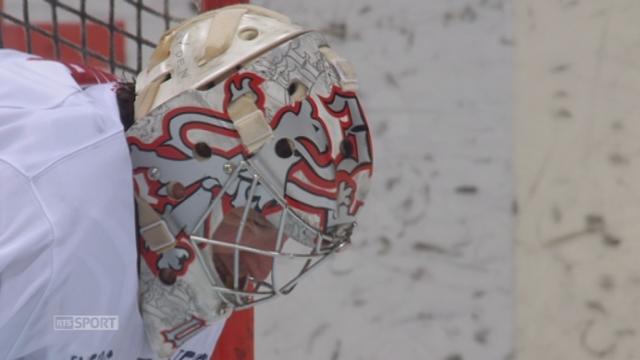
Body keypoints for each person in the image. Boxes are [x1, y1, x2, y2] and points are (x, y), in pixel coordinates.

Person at [0, 4, 373, 359]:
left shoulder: (188, 248)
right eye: (259, 222)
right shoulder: (40, 213)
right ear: (196, 155)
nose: (260, 272)